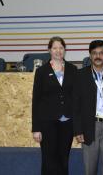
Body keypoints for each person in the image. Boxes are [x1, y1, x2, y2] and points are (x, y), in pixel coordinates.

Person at [73, 40, 103, 175]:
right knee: (90, 168)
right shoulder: (80, 75)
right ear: (90, 55)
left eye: (101, 53)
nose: (98, 56)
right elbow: (76, 105)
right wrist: (78, 130)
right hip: (89, 126)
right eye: (94, 53)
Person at [31, 36, 78, 175]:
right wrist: (36, 128)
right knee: (49, 161)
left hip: (67, 123)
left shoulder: (73, 69)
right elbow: (36, 100)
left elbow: (76, 98)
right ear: (49, 50)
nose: (58, 51)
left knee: (63, 160)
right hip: (47, 123)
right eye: (55, 48)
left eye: (61, 48)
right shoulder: (41, 71)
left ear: (65, 50)